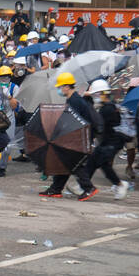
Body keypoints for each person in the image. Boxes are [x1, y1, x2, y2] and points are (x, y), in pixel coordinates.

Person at [39, 71, 103, 200]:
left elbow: (74, 121)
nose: (59, 89)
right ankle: (55, 189)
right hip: (80, 136)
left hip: (79, 137)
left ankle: (88, 188)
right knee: (66, 163)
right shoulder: (74, 99)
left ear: (67, 87)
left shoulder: (75, 101)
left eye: (60, 87)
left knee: (72, 163)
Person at [74, 79, 130, 198]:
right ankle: (83, 185)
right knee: (94, 162)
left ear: (102, 94)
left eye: (96, 94)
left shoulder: (107, 109)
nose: (95, 97)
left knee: (102, 164)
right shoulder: (110, 105)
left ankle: (120, 185)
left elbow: (99, 126)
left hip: (112, 142)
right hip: (109, 141)